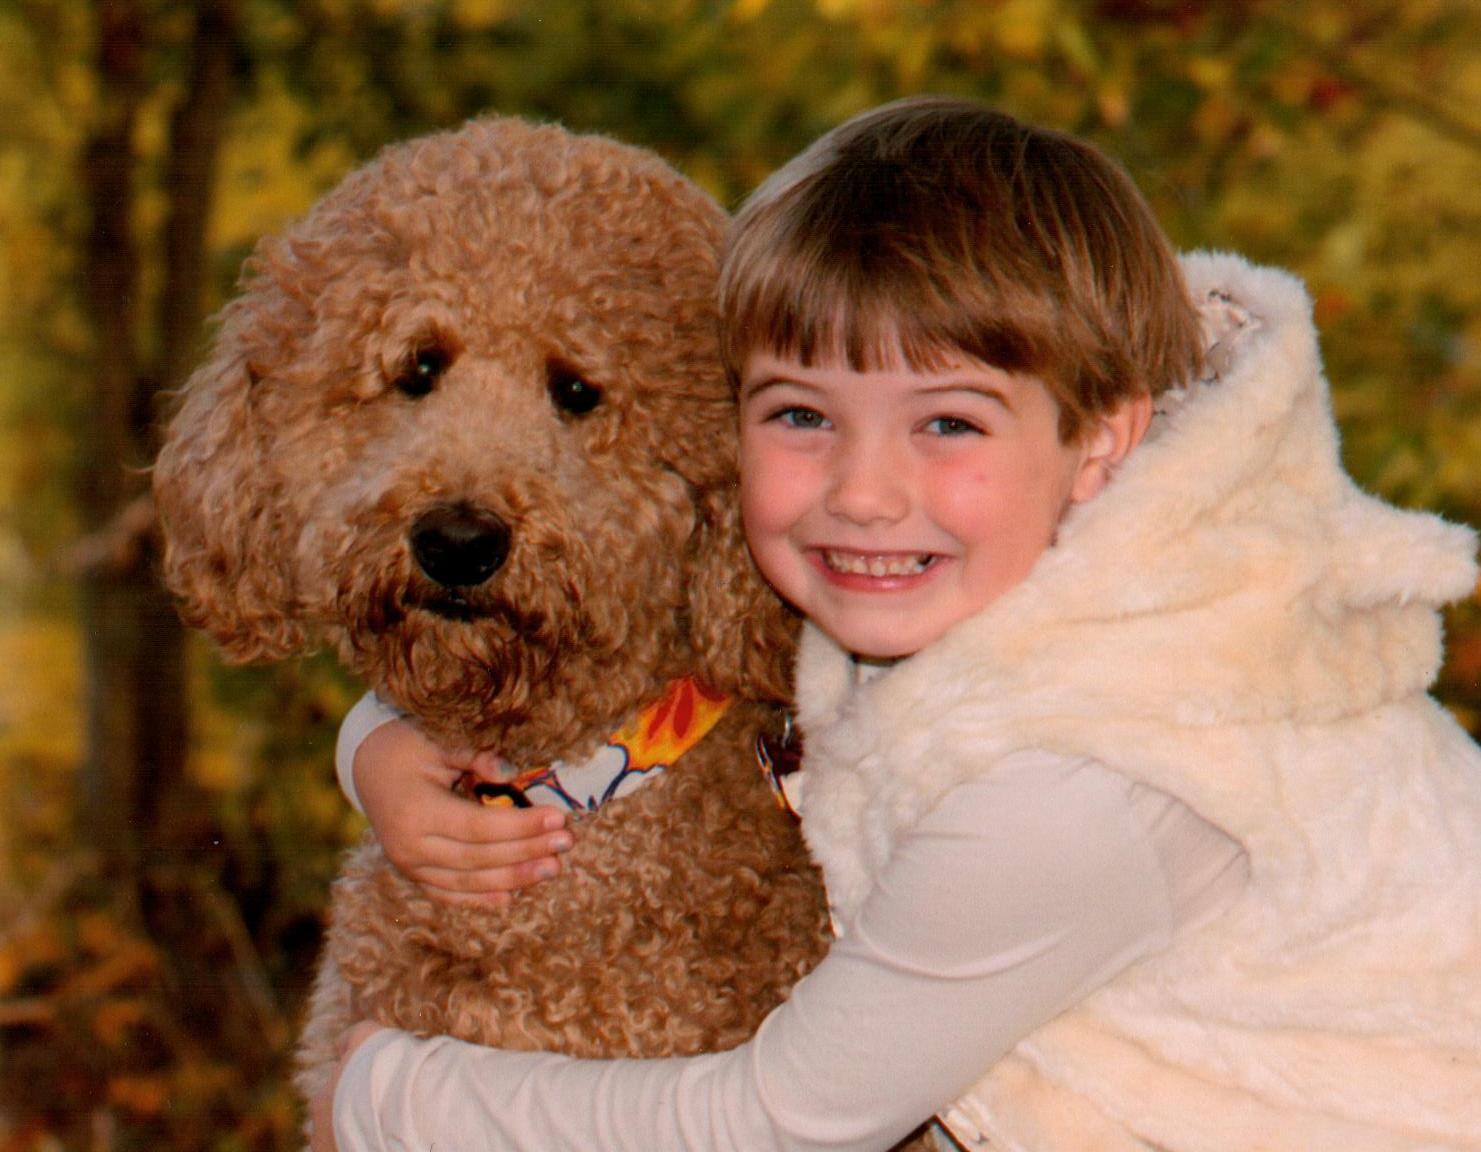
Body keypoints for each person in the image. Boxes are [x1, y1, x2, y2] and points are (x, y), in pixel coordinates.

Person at [313, 97, 1481, 1151]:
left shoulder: (1087, 781)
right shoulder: (1026, 570)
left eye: (948, 426)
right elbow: (647, 669)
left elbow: (783, 1119)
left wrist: (389, 1095)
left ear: (1100, 438)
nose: (861, 492)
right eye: (801, 414)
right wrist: (379, 744)